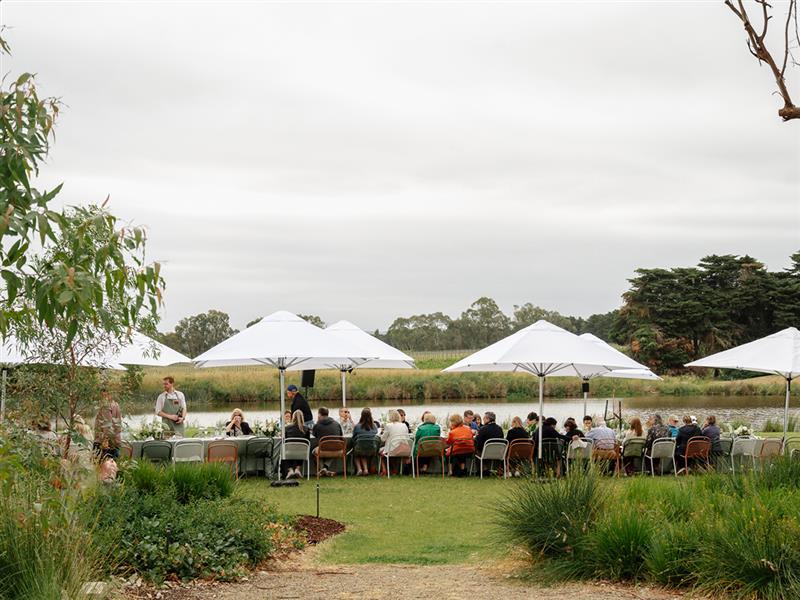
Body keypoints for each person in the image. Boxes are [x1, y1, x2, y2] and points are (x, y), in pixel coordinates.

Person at [312, 407, 343, 476]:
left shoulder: (317, 425)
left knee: (314, 451)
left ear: (319, 414)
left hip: (322, 450)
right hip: (337, 451)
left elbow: (314, 435)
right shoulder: (337, 424)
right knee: (333, 446)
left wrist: (317, 422)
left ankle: (322, 470)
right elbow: (341, 436)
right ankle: (325, 468)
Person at [93, 388, 122, 459]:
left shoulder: (106, 406)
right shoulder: (116, 404)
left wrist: (105, 441)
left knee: (100, 467)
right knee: (113, 466)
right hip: (115, 441)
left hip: (104, 443)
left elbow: (107, 425)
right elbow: (118, 424)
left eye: (103, 393)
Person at [380, 410, 411, 475]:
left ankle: (384, 470)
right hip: (405, 449)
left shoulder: (388, 425)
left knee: (381, 453)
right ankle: (395, 471)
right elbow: (407, 438)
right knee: (391, 452)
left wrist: (382, 434)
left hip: (393, 450)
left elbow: (383, 439)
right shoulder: (404, 425)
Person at [352, 408, 379, 475]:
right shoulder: (374, 426)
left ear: (361, 416)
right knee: (362, 451)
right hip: (372, 449)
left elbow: (353, 438)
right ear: (371, 416)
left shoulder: (357, 426)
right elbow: (376, 434)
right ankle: (366, 470)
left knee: (356, 453)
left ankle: (359, 469)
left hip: (360, 449)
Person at [284, 410, 310, 479]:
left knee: (286, 449)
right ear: (302, 418)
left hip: (289, 453)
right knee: (300, 447)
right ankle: (297, 469)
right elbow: (307, 442)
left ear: (293, 417)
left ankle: (290, 470)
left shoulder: (287, 428)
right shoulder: (306, 429)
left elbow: (285, 441)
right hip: (302, 453)